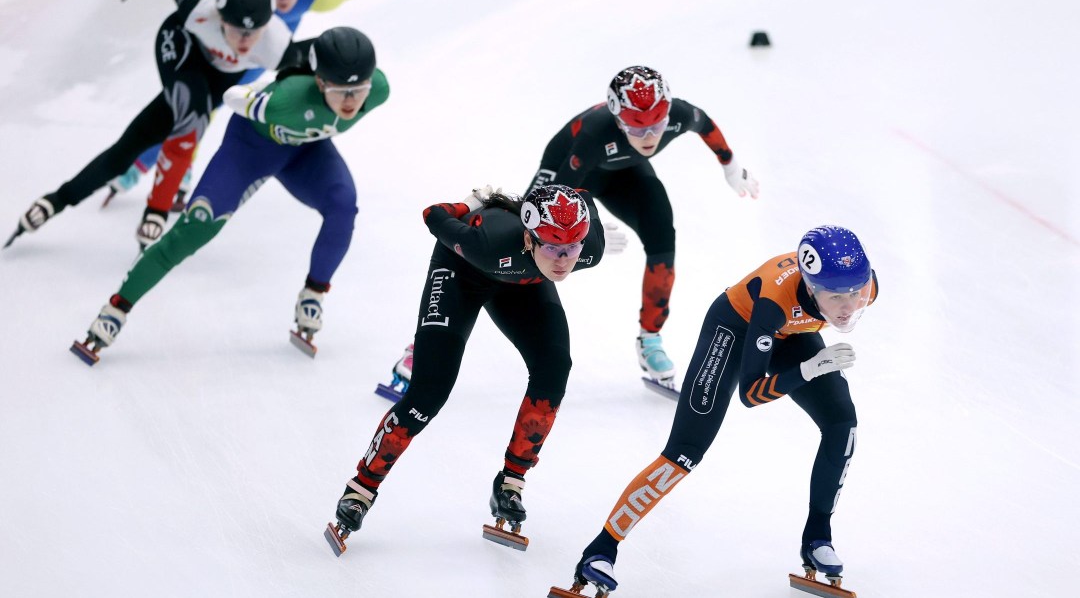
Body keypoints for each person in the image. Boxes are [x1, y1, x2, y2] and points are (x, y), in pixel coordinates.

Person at [552, 225, 878, 596]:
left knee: (842, 423)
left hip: (793, 333)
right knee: (685, 452)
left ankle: (818, 538)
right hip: (736, 329)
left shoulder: (863, 283)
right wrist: (808, 369)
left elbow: (842, 298)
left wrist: (813, 353)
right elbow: (750, 394)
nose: (849, 307)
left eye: (857, 293)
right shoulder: (774, 299)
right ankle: (600, 550)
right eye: (836, 297)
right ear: (810, 285)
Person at [70, 26, 388, 364]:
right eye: (342, 91)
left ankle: (314, 293)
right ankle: (116, 309)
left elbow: (354, 95)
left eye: (360, 90)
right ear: (320, 82)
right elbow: (232, 98)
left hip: (305, 152)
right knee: (195, 229)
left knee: (343, 207)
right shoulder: (287, 100)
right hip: (251, 150)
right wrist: (255, 97)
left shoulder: (378, 90)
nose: (352, 101)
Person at [325, 184, 611, 554]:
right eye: (554, 249)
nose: (564, 261)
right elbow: (433, 214)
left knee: (554, 367)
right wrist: (470, 204)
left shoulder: (591, 249)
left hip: (523, 283)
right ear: (529, 237)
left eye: (572, 249)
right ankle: (361, 489)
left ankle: (511, 483)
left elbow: (584, 194)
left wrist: (560, 210)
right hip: (464, 270)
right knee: (429, 393)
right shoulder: (487, 244)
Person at [7, 0, 316, 251]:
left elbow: (324, 63)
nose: (245, 41)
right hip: (180, 46)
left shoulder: (277, 47)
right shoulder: (200, 11)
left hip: (215, 77)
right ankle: (157, 209)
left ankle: (55, 200)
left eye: (254, 31)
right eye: (236, 29)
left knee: (130, 147)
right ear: (219, 17)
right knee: (192, 120)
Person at [525, 65, 760, 390]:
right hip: (566, 170)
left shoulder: (677, 114)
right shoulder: (595, 134)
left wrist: (731, 166)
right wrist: (587, 226)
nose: (649, 138)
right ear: (619, 122)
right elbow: (561, 193)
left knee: (663, 238)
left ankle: (650, 340)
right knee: (530, 241)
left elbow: (704, 122)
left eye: (657, 127)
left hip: (626, 169)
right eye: (638, 131)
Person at [103, 0, 369, 209]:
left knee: (211, 101)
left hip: (260, 46)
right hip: (223, 25)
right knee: (191, 95)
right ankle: (152, 162)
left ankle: (158, 163)